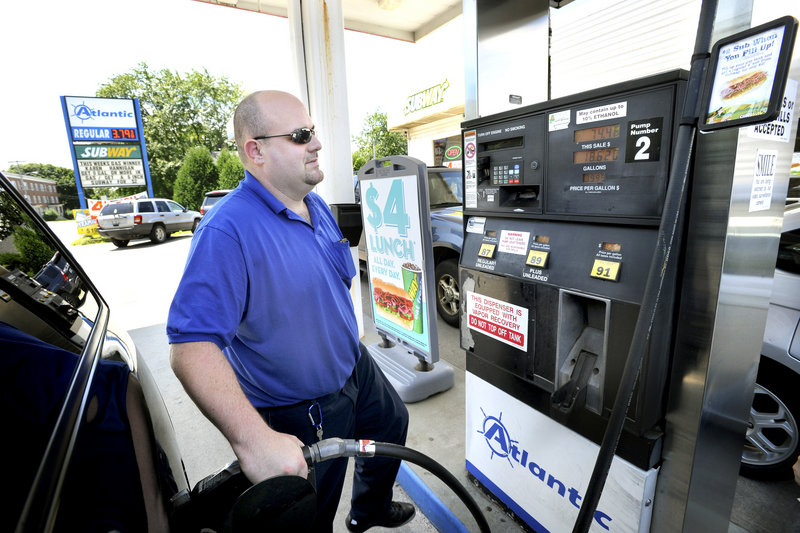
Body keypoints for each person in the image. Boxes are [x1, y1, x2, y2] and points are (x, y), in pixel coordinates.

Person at [166, 90, 412, 532]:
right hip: (302, 407)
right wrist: (255, 441)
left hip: (354, 366)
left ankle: (369, 510)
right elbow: (191, 347)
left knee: (392, 423)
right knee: (311, 508)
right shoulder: (226, 230)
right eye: (301, 136)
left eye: (313, 132)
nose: (316, 144)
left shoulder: (313, 204)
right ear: (255, 151)